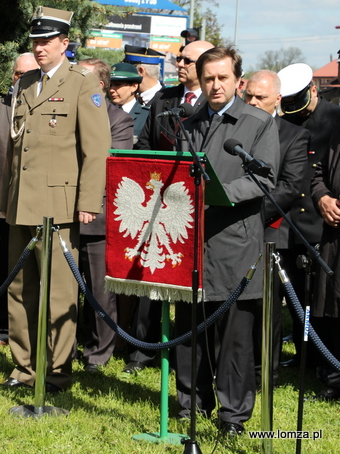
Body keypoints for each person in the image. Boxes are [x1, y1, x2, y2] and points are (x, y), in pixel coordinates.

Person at [0, 6, 111, 393]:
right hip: (22, 202)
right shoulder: (26, 82)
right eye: (35, 41)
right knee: (19, 288)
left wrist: (88, 202)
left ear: (65, 43)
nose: (39, 48)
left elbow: (96, 150)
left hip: (60, 205)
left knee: (60, 293)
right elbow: (17, 147)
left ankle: (57, 372)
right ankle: (24, 368)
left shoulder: (82, 82)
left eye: (46, 41)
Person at [174, 46, 280, 436]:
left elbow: (266, 178)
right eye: (208, 79)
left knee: (235, 340)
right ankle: (191, 404)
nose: (215, 86)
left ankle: (233, 417)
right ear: (199, 81)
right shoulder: (189, 121)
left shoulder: (258, 122)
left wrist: (218, 192)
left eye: (223, 78)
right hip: (190, 245)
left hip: (234, 244)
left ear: (239, 80)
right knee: (190, 333)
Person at [122, 40, 214, 375]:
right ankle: (143, 351)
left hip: (197, 205)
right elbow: (146, 144)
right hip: (161, 199)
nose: (179, 63)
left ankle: (187, 357)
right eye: (178, 58)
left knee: (190, 286)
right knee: (154, 277)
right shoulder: (166, 98)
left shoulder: (212, 102)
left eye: (186, 59)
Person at [243, 70, 309, 389]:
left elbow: (290, 186)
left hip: (269, 231)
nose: (254, 102)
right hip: (228, 232)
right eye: (249, 96)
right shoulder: (234, 127)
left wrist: (247, 214)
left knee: (264, 307)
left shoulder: (293, 135)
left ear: (278, 99)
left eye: (261, 98)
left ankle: (263, 372)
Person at [277, 63, 340, 369]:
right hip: (290, 222)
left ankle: (321, 361)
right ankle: (304, 359)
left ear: (313, 91)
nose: (294, 110)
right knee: (296, 297)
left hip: (320, 222)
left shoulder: (334, 119)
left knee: (319, 302)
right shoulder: (287, 119)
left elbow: (322, 170)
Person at [77, 58, 134, 372]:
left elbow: (114, 168)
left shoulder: (118, 120)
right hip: (63, 213)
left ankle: (98, 354)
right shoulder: (66, 111)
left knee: (100, 291)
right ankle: (63, 346)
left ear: (100, 85)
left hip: (98, 218)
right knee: (64, 290)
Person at [0, 53, 39, 349]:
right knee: (2, 269)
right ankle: (1, 329)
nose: (22, 78)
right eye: (18, 73)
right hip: (0, 205)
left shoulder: (46, 106)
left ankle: (32, 330)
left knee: (34, 271)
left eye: (29, 73)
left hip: (36, 204)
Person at [310, 127, 340, 401]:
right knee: (334, 307)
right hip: (335, 235)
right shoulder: (336, 131)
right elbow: (317, 174)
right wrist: (322, 197)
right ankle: (335, 381)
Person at [109, 62, 147, 143]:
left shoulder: (146, 115)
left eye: (118, 85)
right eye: (110, 85)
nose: (111, 90)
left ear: (134, 87)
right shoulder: (104, 112)